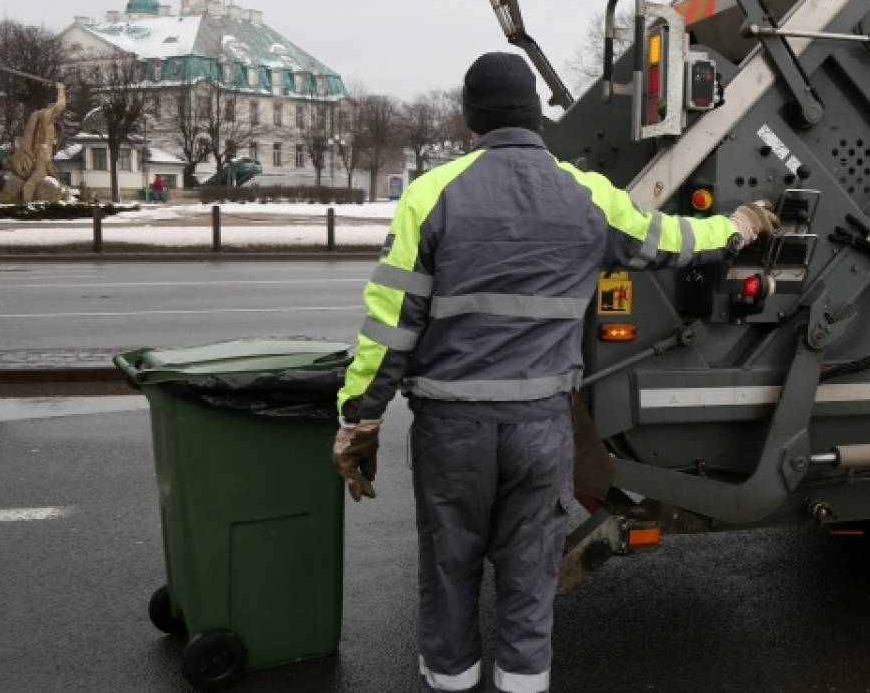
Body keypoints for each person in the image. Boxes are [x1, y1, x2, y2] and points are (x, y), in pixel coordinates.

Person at [332, 52, 779, 693]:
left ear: (469, 118)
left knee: (450, 571)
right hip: (541, 429)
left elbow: (389, 325)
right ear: (535, 116)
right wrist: (735, 227)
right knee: (528, 578)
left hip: (452, 429)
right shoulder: (586, 194)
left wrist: (360, 420)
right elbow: (671, 241)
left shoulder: (430, 195)